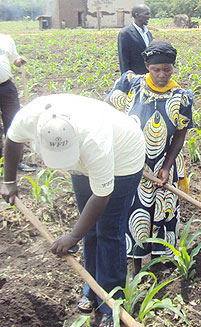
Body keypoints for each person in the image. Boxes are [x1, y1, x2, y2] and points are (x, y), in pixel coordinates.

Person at [0, 94, 145, 327]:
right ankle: (91, 288)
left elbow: (101, 196)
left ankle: (111, 300)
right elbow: (13, 139)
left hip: (124, 157)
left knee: (108, 229)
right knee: (90, 230)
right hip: (84, 163)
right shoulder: (31, 117)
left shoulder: (95, 142)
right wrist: (9, 181)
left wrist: (72, 236)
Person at [108, 41, 194, 273]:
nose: (162, 75)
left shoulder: (182, 97)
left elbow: (179, 135)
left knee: (163, 210)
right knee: (136, 211)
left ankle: (161, 262)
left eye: (167, 69)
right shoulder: (131, 85)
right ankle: (136, 264)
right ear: (147, 66)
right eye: (156, 70)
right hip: (134, 164)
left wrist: (166, 167)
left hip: (165, 164)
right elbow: (110, 109)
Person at [0, 33, 34, 171]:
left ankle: (16, 162)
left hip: (6, 86)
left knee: (14, 123)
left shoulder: (6, 39)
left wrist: (19, 60)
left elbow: (14, 59)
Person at [118, 4, 153, 75]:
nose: (149, 16)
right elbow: (124, 59)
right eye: (146, 14)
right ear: (137, 15)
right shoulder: (125, 33)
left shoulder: (148, 33)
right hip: (135, 76)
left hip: (149, 76)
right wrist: (127, 79)